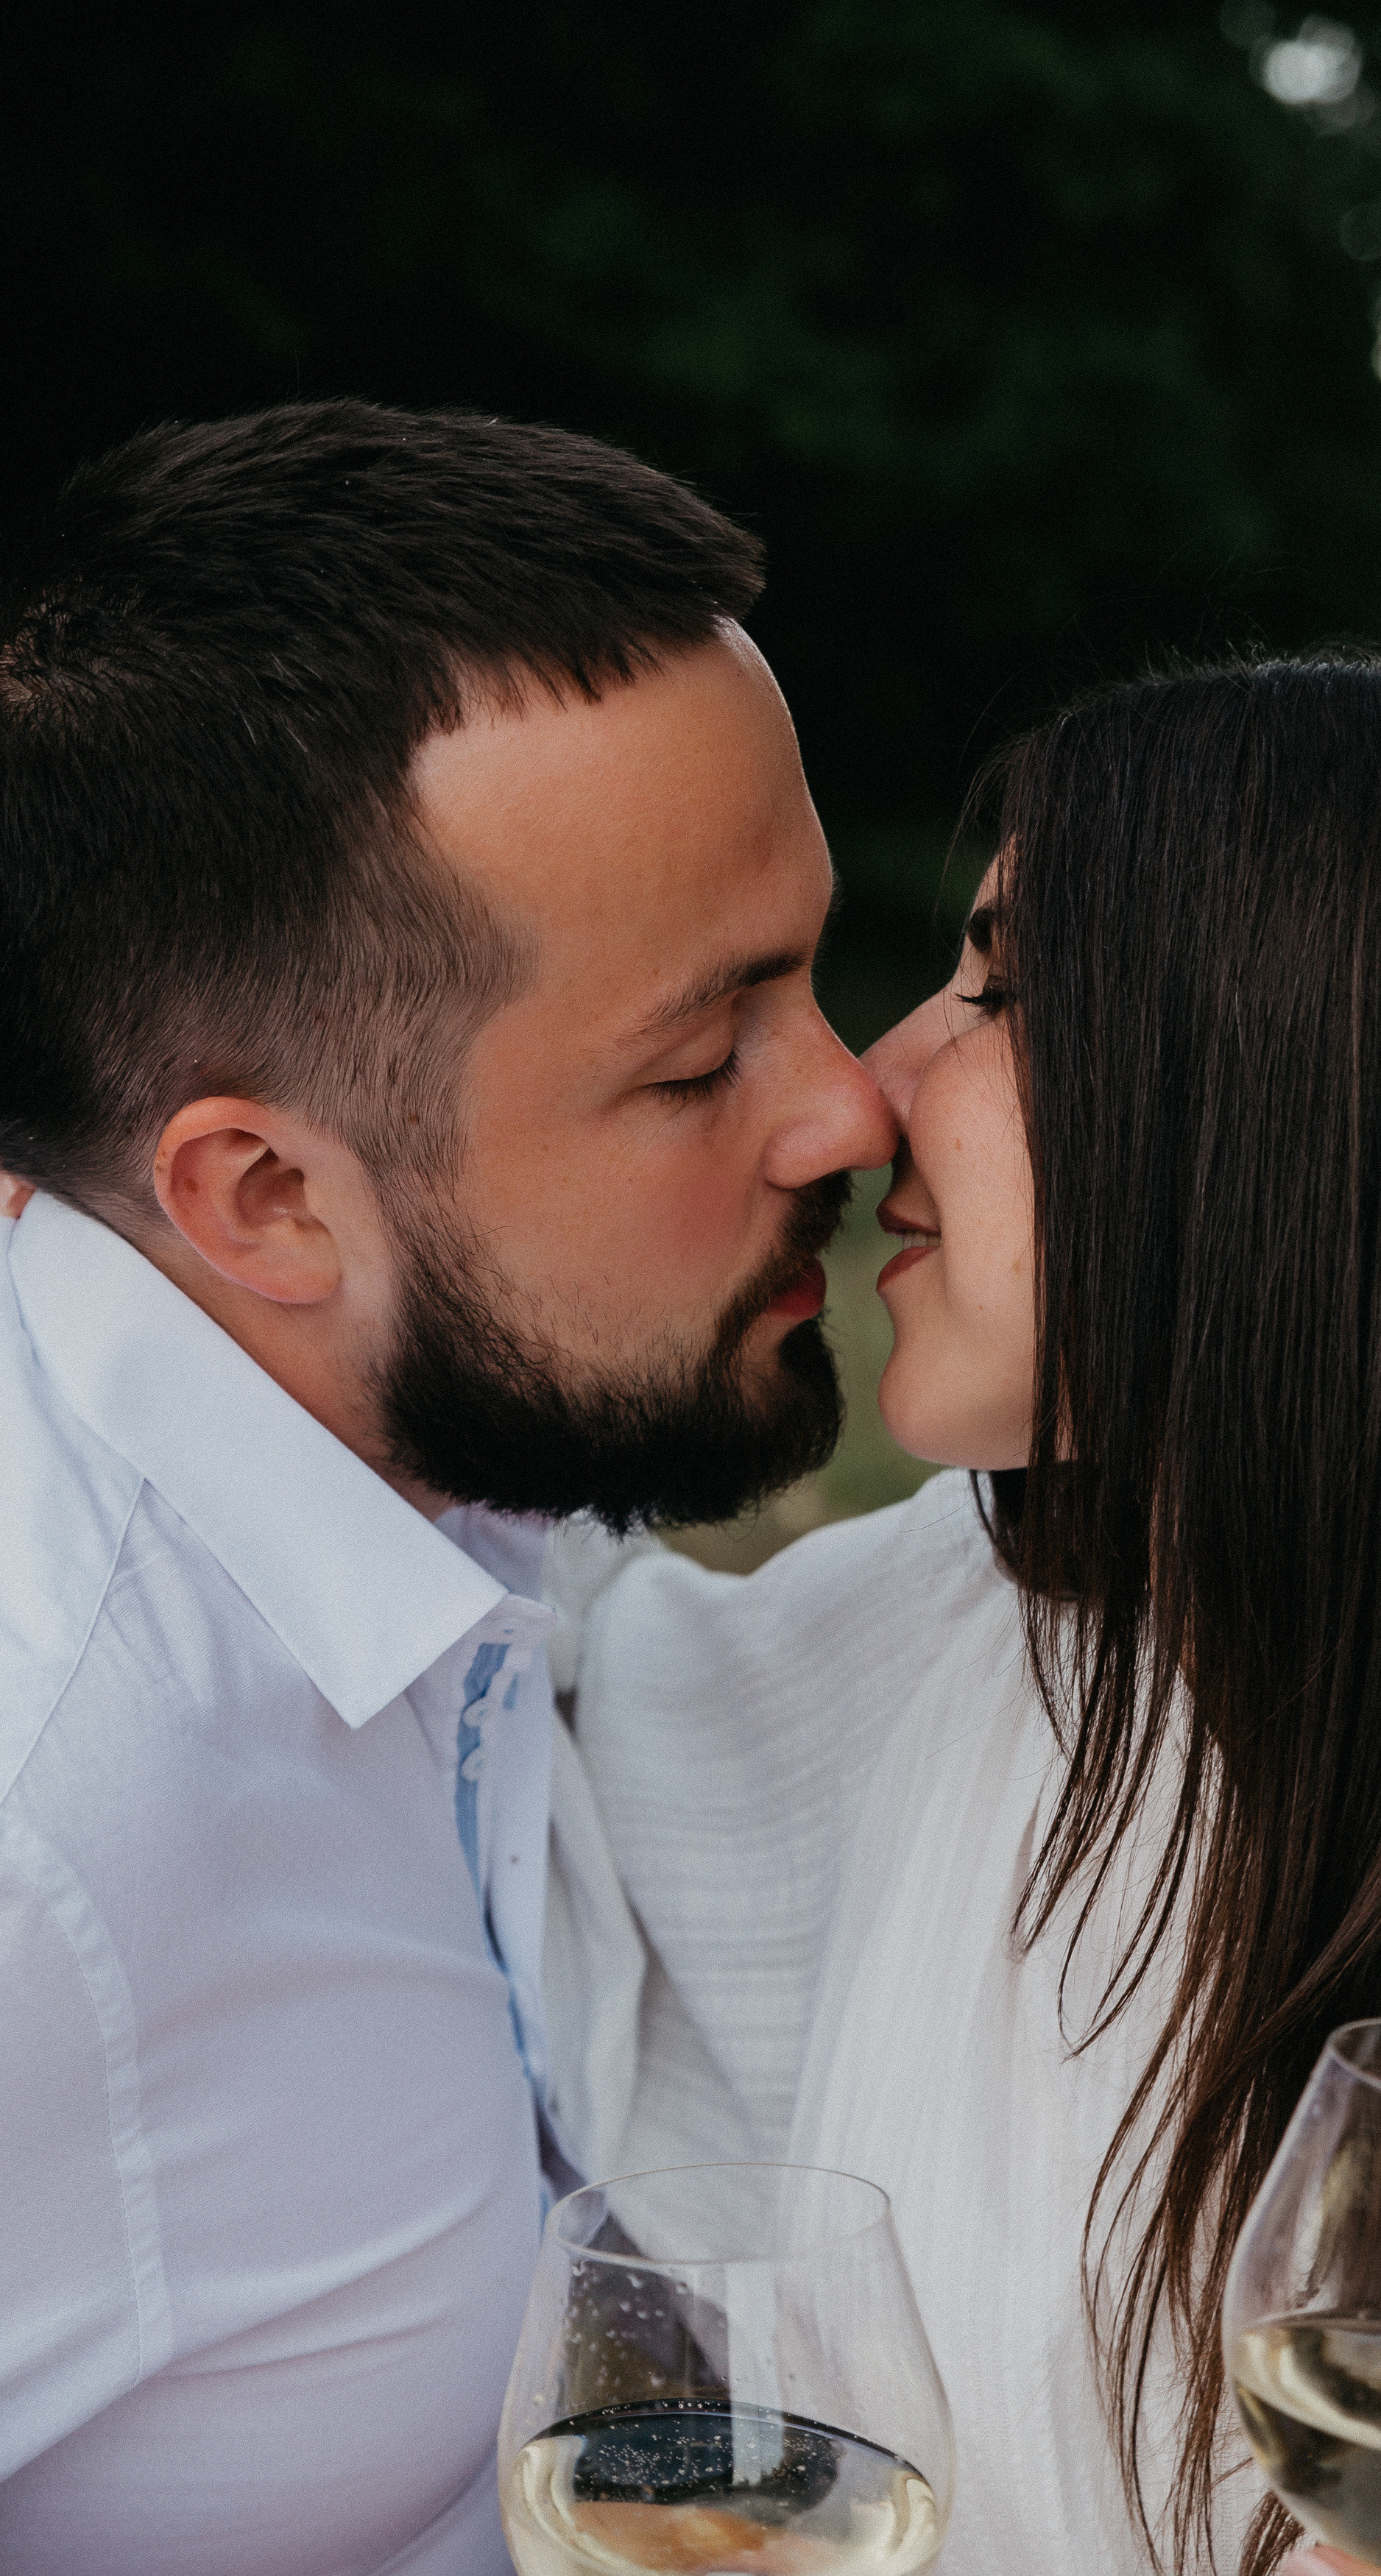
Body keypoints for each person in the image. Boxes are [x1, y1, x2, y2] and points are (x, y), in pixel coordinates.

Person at [552, 658, 1381, 2575]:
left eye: (1004, 996)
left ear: (1331, 1114)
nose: (865, 1093)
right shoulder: (946, 1648)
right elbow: (466, 1690)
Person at [0, 400, 896, 2573]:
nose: (848, 1113)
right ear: (268, 1199)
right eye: (700, 1059)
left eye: (810, 975)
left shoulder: (430, 1433)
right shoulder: (48, 1837)